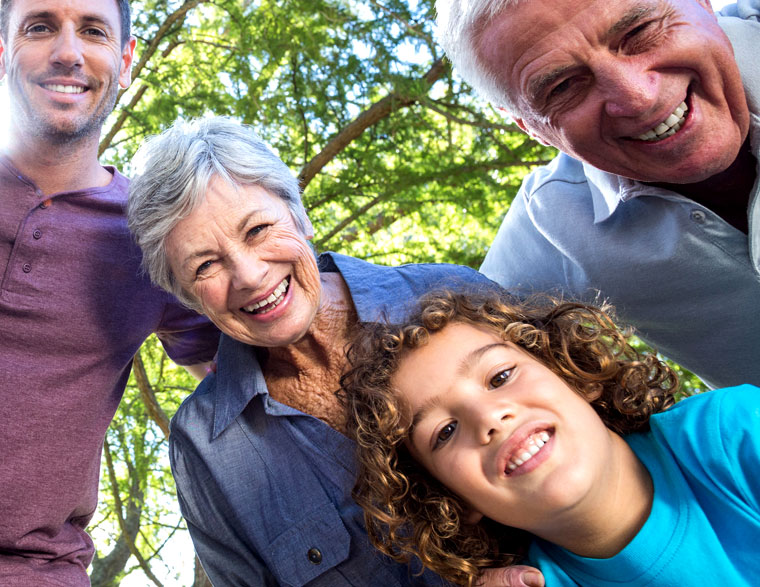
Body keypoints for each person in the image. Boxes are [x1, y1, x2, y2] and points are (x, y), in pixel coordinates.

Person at [126, 117, 543, 586]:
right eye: (205, 265)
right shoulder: (206, 446)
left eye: (258, 229)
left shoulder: (452, 293)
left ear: (299, 215)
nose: (248, 275)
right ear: (186, 296)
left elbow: (612, 446)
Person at [0, 0, 223, 584]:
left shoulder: (155, 237)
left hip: (38, 572)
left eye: (93, 31)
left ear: (124, 60)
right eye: (39, 28)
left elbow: (256, 373)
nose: (68, 52)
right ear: (0, 51)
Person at [435, 0, 760, 388]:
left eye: (639, 32)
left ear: (703, 3)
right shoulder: (552, 226)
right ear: (531, 127)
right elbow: (444, 367)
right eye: (563, 85)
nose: (639, 98)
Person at [339, 290, 760, 586]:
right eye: (445, 432)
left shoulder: (732, 432)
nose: (490, 418)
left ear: (574, 373)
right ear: (452, 501)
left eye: (500, 377)